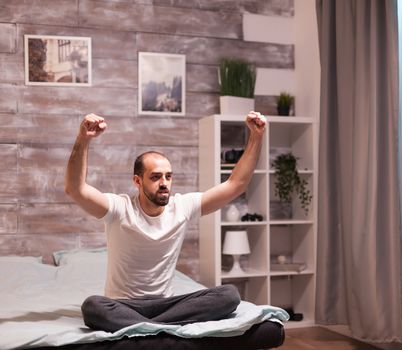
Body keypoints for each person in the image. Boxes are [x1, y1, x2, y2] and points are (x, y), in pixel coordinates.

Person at [65, 111, 267, 332]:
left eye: (168, 176)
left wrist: (256, 137)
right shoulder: (119, 208)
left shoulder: (182, 207)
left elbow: (236, 185)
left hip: (166, 305)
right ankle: (165, 328)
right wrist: (83, 139)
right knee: (93, 307)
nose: (164, 183)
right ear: (137, 181)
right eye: (155, 177)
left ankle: (151, 327)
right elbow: (75, 189)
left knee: (229, 295)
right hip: (123, 305)